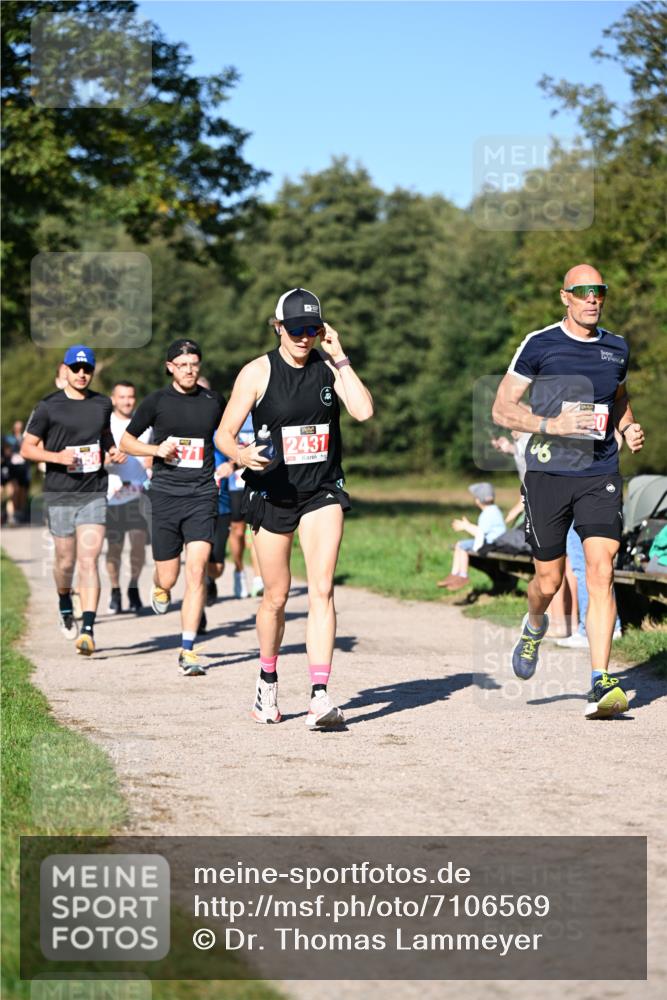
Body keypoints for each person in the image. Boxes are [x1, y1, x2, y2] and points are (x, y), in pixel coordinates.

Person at [216, 287, 373, 727]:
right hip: (272, 492)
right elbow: (223, 434)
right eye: (297, 328)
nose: (305, 337)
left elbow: (362, 410)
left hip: (322, 490)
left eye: (313, 328)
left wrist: (339, 354)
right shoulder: (257, 372)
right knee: (277, 597)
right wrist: (243, 456)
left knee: (322, 588)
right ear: (278, 327)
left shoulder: (327, 366)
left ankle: (320, 696)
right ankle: (267, 683)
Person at [492, 264, 645, 718]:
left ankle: (601, 681)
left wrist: (629, 425)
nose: (592, 299)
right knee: (549, 580)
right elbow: (502, 408)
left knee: (601, 571)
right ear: (565, 297)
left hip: (600, 471)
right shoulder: (540, 345)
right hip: (548, 474)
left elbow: (617, 395)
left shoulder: (617, 347)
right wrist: (551, 424)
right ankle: (535, 623)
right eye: (582, 292)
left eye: (598, 291)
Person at [120, 339, 224, 676]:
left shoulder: (213, 401)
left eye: (195, 363)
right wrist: (155, 451)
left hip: (202, 494)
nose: (190, 370)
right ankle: (160, 587)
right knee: (170, 575)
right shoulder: (157, 402)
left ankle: (188, 649)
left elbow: (228, 436)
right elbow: (126, 441)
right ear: (170, 367)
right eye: (183, 365)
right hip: (165, 495)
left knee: (196, 570)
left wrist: (236, 461)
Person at [21, 345, 117, 655]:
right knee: (66, 561)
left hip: (93, 490)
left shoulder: (103, 403)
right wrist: (57, 457)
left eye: (86, 369)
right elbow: (27, 448)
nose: (81, 374)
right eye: (75, 369)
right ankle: (64, 598)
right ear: (65, 370)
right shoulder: (48, 406)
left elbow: (105, 436)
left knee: (89, 560)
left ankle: (88, 629)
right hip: (60, 492)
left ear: (92, 370)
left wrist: (112, 450)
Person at [105, 382, 152, 614]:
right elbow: (97, 459)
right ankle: (115, 590)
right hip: (112, 494)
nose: (127, 401)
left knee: (138, 543)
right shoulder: (106, 424)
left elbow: (151, 453)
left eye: (131, 397)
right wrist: (110, 461)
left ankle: (133, 586)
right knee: (114, 548)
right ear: (113, 399)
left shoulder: (144, 423)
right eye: (122, 397)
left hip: (138, 492)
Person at [437, 483, 506, 590]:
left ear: (478, 500)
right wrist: (468, 525)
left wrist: (465, 526)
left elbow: (479, 533)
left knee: (462, 546)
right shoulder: (494, 510)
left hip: (491, 544)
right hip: (494, 542)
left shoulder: (487, 514)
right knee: (459, 545)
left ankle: (462, 575)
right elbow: (483, 531)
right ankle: (455, 574)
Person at [228, 413, 264, 599]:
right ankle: (239, 571)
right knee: (238, 531)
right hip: (236, 482)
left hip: (259, 482)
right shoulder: (235, 414)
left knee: (255, 528)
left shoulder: (266, 408)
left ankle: (259, 579)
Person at [4, 420, 30, 524]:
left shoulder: (25, 438)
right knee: (13, 491)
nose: (19, 427)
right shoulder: (9, 438)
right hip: (12, 467)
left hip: (23, 467)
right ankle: (12, 515)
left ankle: (20, 513)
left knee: (22, 491)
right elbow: (6, 452)